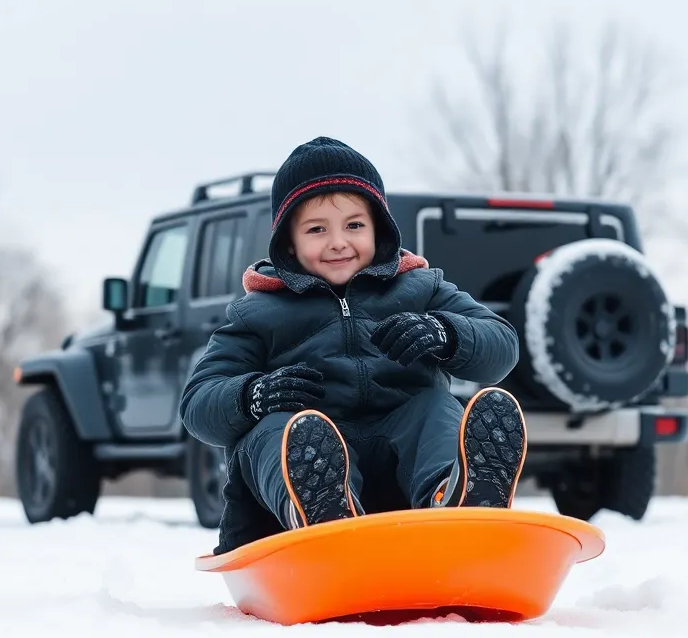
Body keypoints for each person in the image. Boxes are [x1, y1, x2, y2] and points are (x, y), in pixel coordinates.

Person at [180, 136, 527, 554]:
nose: (338, 242)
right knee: (280, 429)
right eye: (316, 229)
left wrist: (446, 332)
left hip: (403, 467)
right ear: (288, 243)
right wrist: (252, 395)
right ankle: (314, 511)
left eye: (354, 225)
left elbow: (502, 345)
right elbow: (198, 404)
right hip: (309, 462)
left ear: (378, 228)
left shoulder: (419, 287)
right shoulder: (258, 313)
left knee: (433, 408)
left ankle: (452, 499)